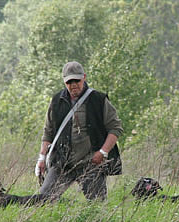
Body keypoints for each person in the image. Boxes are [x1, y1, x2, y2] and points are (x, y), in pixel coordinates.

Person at [35, 61, 123, 201]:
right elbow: (48, 132)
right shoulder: (56, 101)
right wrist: (41, 158)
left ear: (84, 77)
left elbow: (115, 128)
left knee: (97, 207)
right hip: (62, 163)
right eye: (69, 81)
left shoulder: (99, 99)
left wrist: (103, 152)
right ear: (64, 82)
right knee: (43, 201)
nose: (73, 84)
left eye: (77, 80)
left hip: (90, 164)